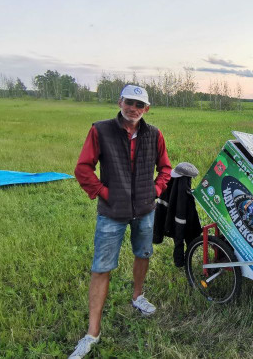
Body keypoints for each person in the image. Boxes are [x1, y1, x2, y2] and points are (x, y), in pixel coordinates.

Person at [70, 85, 171, 358]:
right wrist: (105, 193)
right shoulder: (101, 130)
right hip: (111, 213)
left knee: (143, 253)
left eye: (140, 105)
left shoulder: (154, 134)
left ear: (146, 108)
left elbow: (165, 168)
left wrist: (156, 190)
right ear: (120, 102)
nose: (134, 108)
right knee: (102, 267)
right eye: (129, 102)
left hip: (146, 210)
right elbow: (83, 168)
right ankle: (92, 333)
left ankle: (138, 296)